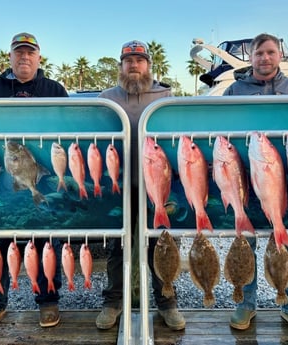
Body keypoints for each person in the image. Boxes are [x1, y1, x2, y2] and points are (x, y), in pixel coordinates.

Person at [0, 32, 68, 333]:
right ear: (10, 57)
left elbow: (68, 128)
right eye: (19, 52)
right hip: (3, 178)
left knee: (45, 238)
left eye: (30, 52)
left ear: (39, 57)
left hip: (40, 169)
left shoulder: (54, 89)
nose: (24, 57)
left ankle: (48, 300)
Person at [223, 33, 288, 337]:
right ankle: (247, 303)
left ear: (279, 55)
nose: (265, 58)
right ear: (251, 57)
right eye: (259, 53)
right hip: (245, 178)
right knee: (245, 241)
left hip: (286, 181)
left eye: (271, 52)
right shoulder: (235, 90)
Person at [96, 40, 186, 331]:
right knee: (116, 245)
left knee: (162, 244)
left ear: (149, 65)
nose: (133, 65)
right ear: (121, 65)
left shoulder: (166, 96)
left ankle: (167, 302)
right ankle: (113, 302)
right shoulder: (105, 98)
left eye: (139, 60)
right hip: (119, 188)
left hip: (158, 187)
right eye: (128, 60)